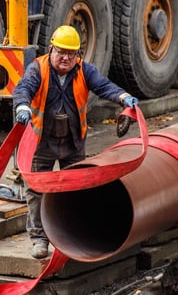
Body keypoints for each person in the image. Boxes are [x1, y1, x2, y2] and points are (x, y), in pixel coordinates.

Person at [12, 26, 139, 259]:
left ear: (77, 55)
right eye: (61, 51)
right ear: (51, 49)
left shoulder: (84, 70)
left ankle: (73, 235)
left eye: (71, 53)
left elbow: (104, 86)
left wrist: (123, 98)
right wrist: (22, 107)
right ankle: (39, 240)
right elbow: (23, 90)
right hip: (42, 142)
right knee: (37, 191)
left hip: (72, 141)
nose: (66, 57)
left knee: (77, 189)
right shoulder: (37, 69)